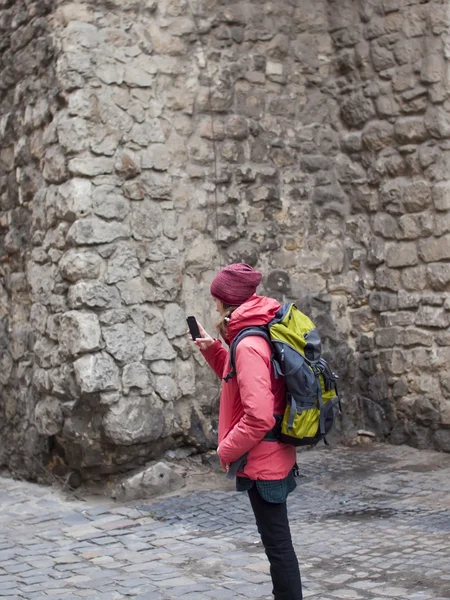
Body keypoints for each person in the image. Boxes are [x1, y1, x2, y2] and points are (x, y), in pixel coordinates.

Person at [191, 262, 303, 600]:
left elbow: (259, 416)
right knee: (277, 544)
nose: (215, 307)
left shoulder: (248, 343)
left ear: (229, 302)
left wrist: (225, 450)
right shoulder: (253, 331)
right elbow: (240, 381)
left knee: (278, 547)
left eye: (217, 301)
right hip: (269, 455)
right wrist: (213, 349)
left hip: (263, 460)